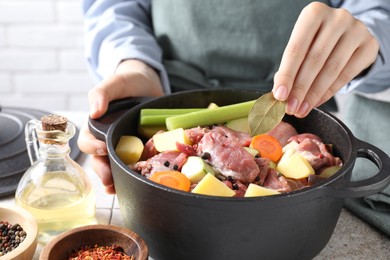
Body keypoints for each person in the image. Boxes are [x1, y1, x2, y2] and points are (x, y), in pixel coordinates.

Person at [79, 0, 390, 197]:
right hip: (169, 97)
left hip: (298, 103)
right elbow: (114, 7)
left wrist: (370, 36)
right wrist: (133, 63)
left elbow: (377, 11)